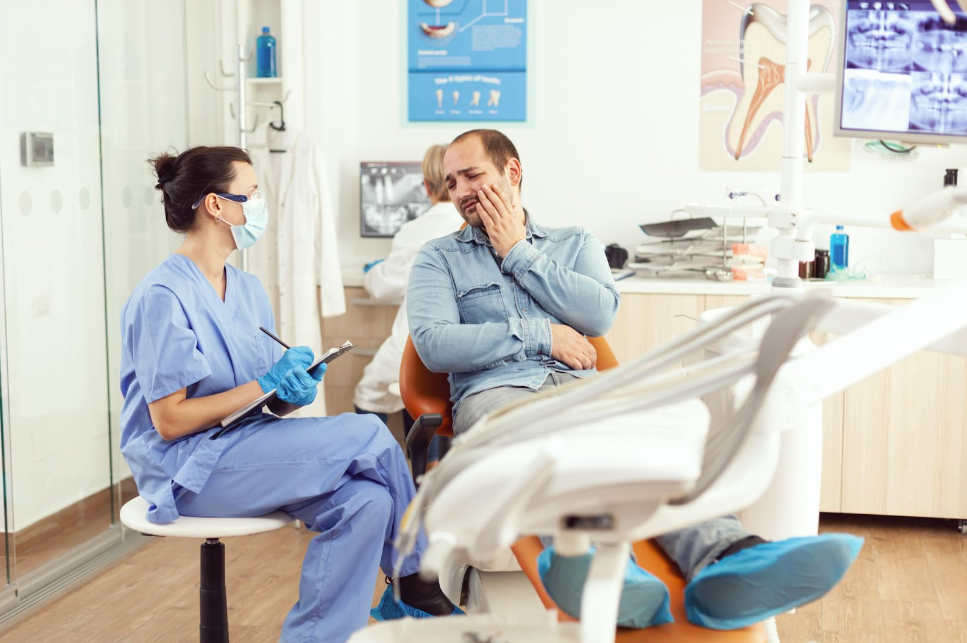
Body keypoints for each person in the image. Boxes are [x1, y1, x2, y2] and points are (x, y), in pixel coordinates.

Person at [406, 129, 862, 631]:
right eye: (452, 183)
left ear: (512, 172)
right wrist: (543, 335)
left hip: (585, 387)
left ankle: (732, 558)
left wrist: (517, 251)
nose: (462, 191)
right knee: (540, 453)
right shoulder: (438, 258)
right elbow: (434, 342)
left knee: (661, 444)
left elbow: (599, 314)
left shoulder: (573, 243)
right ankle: (608, 575)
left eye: (473, 175)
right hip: (499, 397)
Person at [119, 146, 459, 643]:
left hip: (246, 449)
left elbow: (258, 402)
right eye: (251, 194)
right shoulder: (162, 296)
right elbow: (169, 421)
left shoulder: (249, 289)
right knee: (367, 431)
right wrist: (265, 384)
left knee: (366, 503)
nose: (258, 205)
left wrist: (290, 392)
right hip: (187, 469)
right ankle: (416, 577)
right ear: (216, 205)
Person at [353, 144, 463, 465]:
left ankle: (377, 467)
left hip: (418, 347)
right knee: (427, 397)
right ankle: (426, 467)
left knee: (370, 390)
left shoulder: (415, 230)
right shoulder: (473, 224)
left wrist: (373, 272)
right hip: (461, 353)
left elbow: (383, 287)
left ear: (426, 186)